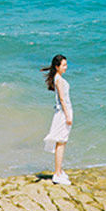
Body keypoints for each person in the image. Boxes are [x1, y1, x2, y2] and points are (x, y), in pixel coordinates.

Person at [42, 54, 72, 185]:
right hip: (62, 113)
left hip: (62, 112)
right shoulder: (58, 79)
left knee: (61, 142)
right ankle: (57, 173)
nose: (66, 67)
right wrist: (68, 115)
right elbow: (62, 99)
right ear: (57, 66)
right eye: (63, 65)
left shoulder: (58, 78)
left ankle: (59, 171)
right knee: (61, 142)